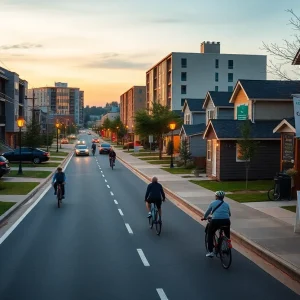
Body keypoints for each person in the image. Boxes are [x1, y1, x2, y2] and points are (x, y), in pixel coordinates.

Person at [202, 191, 231, 258]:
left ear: (216, 197)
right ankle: (227, 247)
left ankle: (211, 252)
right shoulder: (226, 204)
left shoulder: (213, 203)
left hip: (216, 221)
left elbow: (207, 212)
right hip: (226, 221)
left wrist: (204, 217)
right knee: (227, 234)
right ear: (223, 197)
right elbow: (229, 214)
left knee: (210, 233)